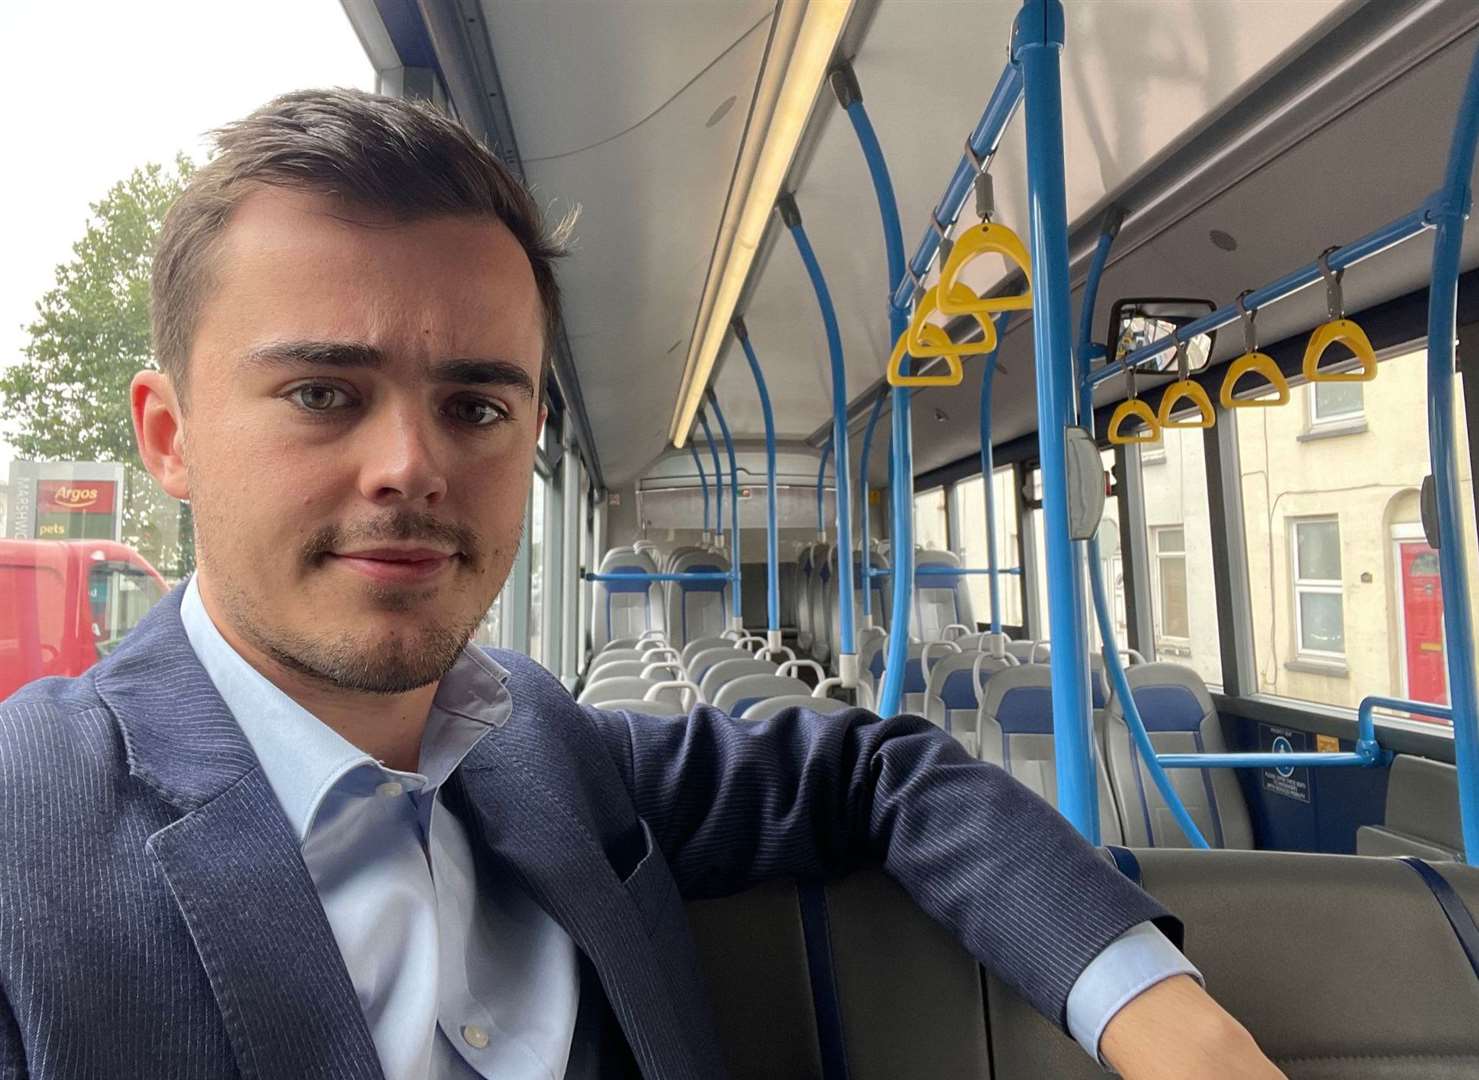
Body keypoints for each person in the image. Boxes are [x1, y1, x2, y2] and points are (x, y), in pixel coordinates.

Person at [0, 89, 1283, 1080]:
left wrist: (1161, 1016)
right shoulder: (25, 836)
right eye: (324, 394)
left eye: (477, 405)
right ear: (167, 435)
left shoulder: (549, 756)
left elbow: (878, 772)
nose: (410, 467)